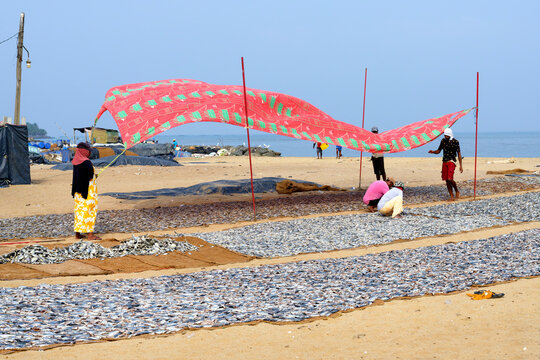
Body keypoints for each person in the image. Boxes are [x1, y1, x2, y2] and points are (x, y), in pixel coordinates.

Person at [72, 142, 101, 240]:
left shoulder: (75, 161)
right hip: (87, 191)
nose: (89, 153)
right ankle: (90, 235)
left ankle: (77, 234)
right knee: (90, 211)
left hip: (78, 191)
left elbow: (80, 176)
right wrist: (94, 176)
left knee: (79, 212)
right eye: (88, 151)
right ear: (84, 151)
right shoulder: (86, 162)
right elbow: (89, 177)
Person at [428, 128, 463, 201]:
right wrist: (433, 152)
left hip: (452, 161)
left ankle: (456, 190)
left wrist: (461, 166)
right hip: (444, 161)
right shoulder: (443, 141)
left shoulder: (456, 142)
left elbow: (459, 154)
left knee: (450, 178)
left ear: (450, 135)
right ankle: (451, 196)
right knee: (446, 180)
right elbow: (439, 151)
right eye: (445, 135)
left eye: (447, 135)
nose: (445, 137)